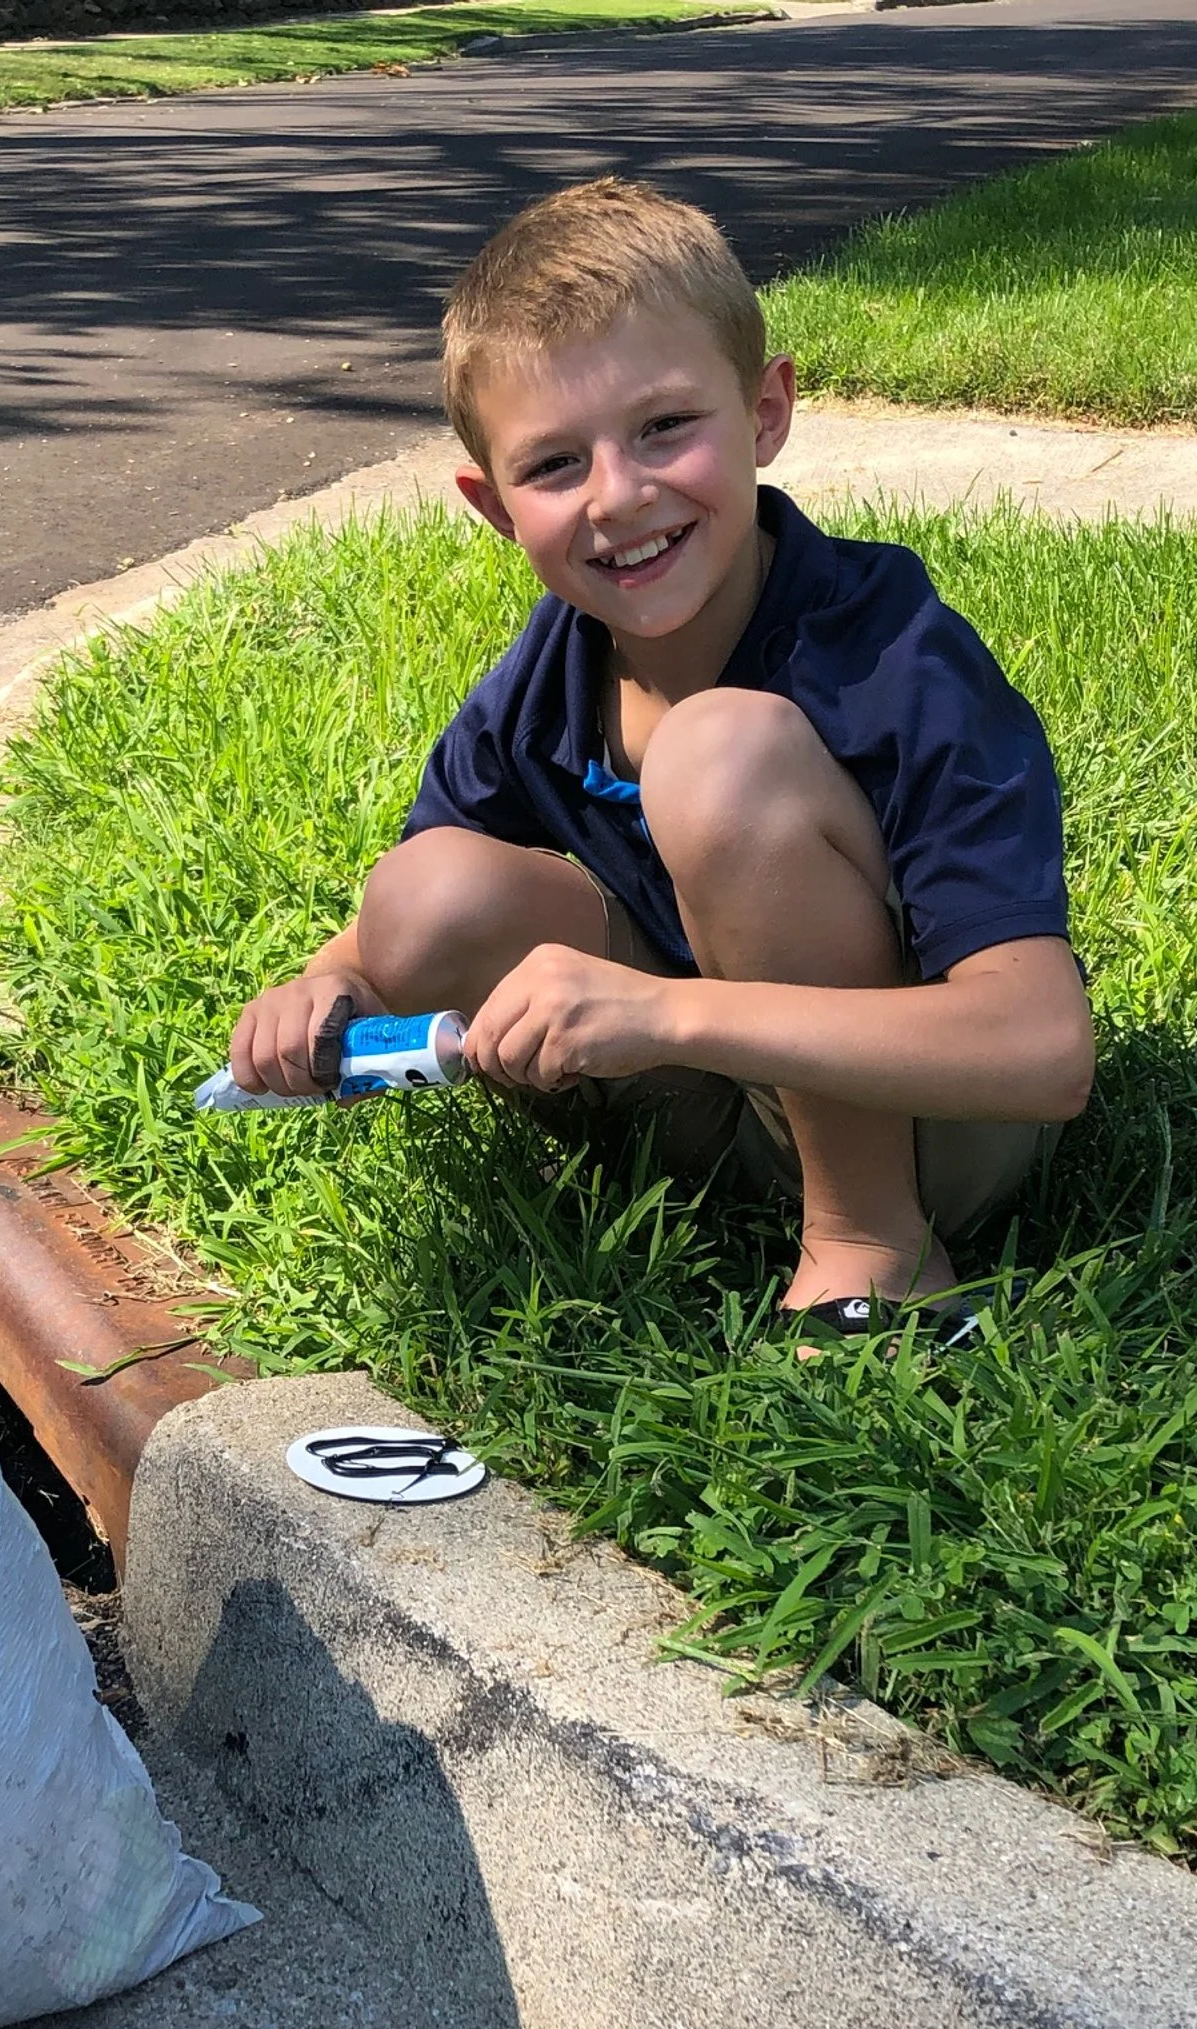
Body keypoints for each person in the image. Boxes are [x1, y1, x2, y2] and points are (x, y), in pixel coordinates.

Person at [224, 177, 1094, 1340]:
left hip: (930, 1117)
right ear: (492, 507)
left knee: (720, 754)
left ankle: (871, 1252)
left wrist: (669, 1014)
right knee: (427, 887)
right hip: (700, 1112)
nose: (618, 497)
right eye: (553, 467)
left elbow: (1042, 1054)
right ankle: (725, 1192)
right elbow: (419, 912)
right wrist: (334, 984)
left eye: (664, 427)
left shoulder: (891, 653)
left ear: (766, 411)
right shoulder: (551, 673)